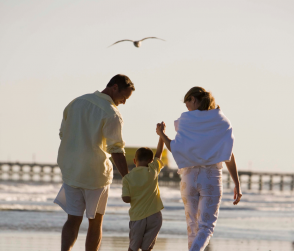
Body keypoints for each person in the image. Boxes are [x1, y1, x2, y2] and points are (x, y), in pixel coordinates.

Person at [54, 74, 135, 251]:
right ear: (115, 88)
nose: (123, 102)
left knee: (73, 218)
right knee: (95, 221)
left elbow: (62, 133)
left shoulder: (76, 102)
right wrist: (128, 179)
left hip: (71, 170)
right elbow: (116, 150)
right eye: (124, 97)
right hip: (96, 174)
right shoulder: (111, 113)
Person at [156, 87, 242, 251]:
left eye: (187, 102)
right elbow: (228, 154)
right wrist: (237, 183)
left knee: (192, 227)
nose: (186, 107)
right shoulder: (221, 121)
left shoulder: (185, 120)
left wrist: (161, 134)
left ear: (194, 99)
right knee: (206, 227)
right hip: (211, 177)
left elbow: (175, 147)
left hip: (188, 177)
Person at [121, 131, 165, 251]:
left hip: (137, 217)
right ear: (151, 161)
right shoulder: (153, 170)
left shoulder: (127, 178)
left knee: (133, 247)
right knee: (147, 248)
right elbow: (159, 153)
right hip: (154, 216)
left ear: (135, 161)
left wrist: (129, 197)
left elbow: (126, 199)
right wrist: (161, 135)